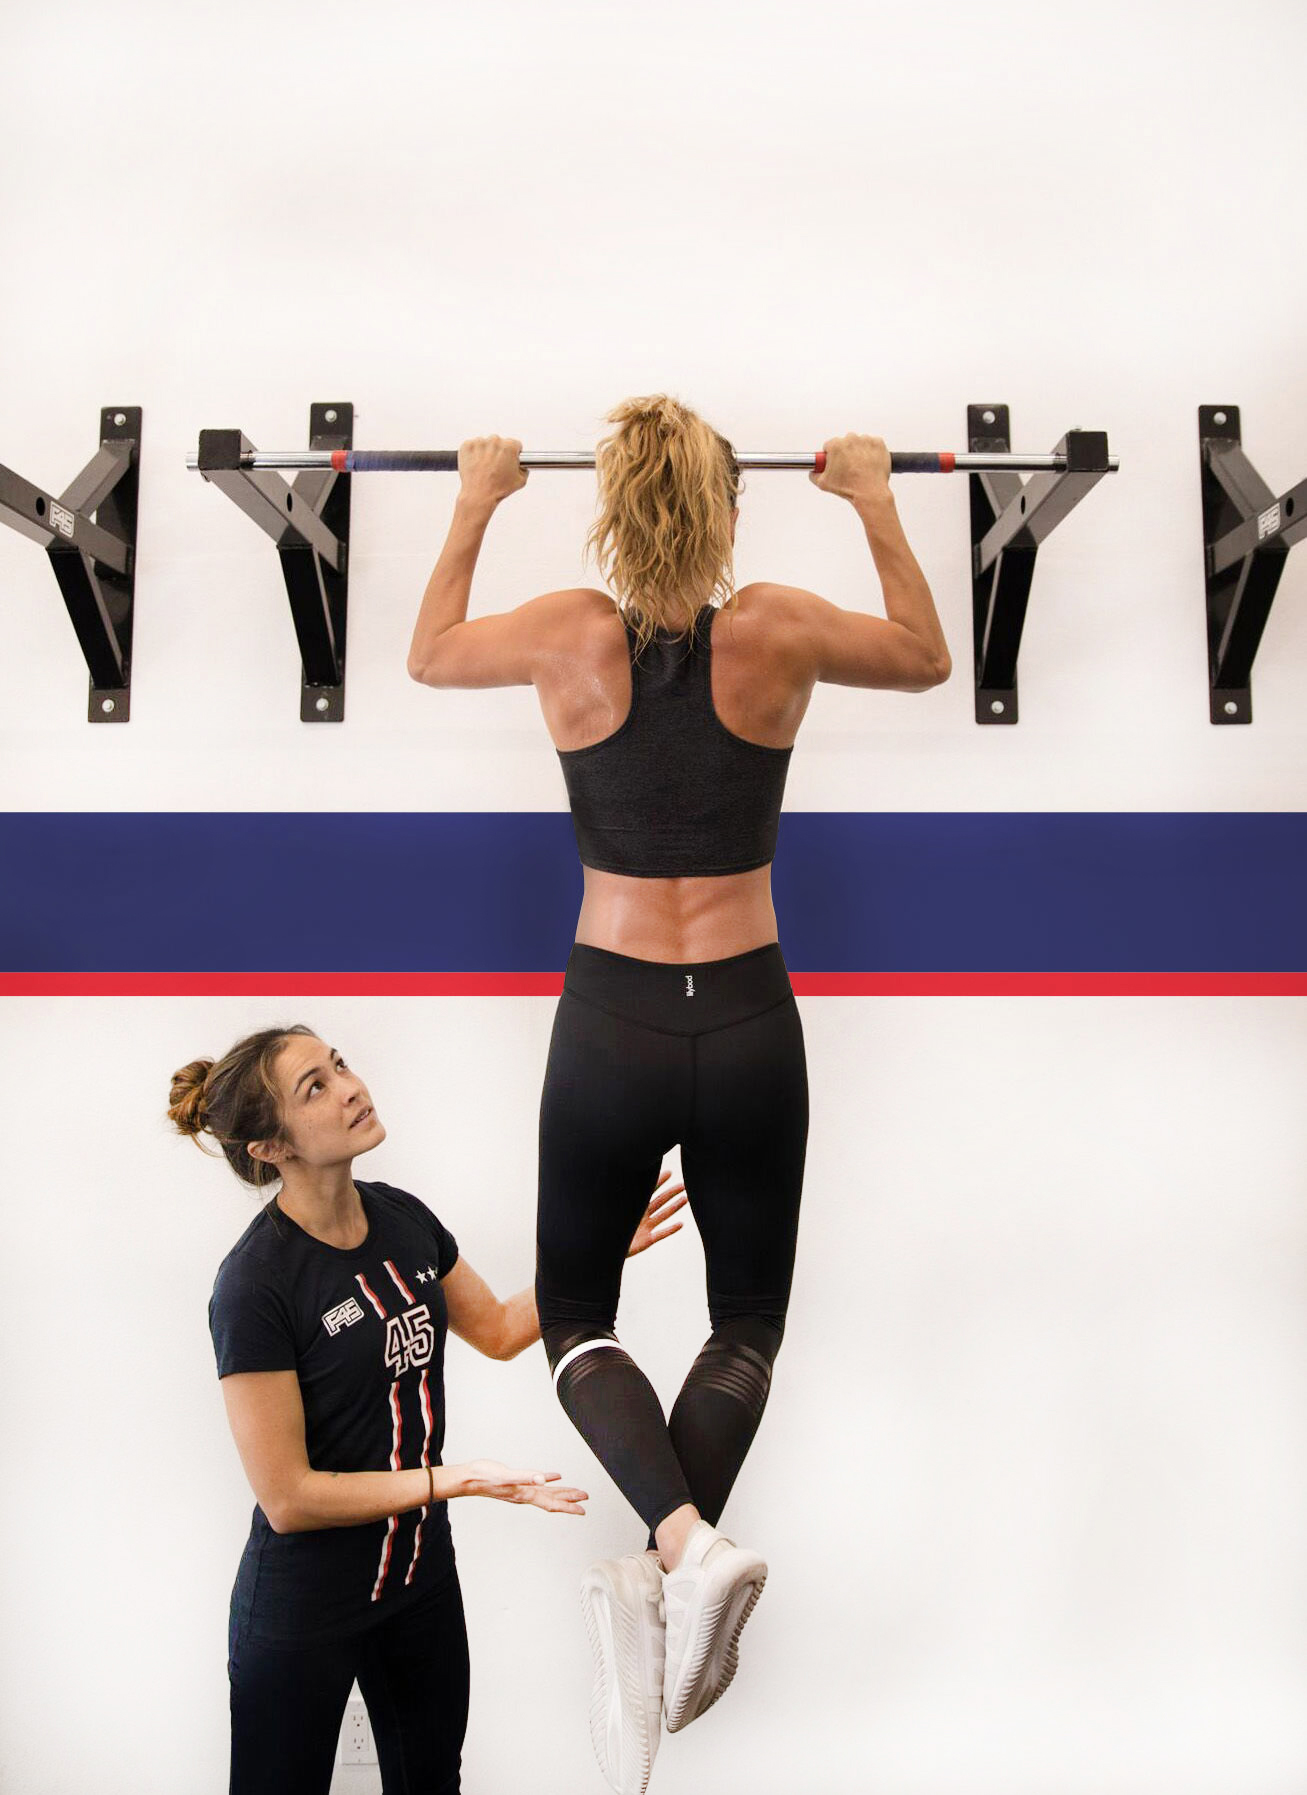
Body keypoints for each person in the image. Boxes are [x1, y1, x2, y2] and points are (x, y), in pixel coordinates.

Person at [407, 395, 950, 1793]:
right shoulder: (771, 623)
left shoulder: (564, 631)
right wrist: (874, 496)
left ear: (607, 504)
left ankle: (684, 1549)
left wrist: (474, 495)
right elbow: (922, 654)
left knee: (576, 1313)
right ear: (720, 511)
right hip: (752, 1013)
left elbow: (424, 653)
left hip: (612, 1015)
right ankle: (674, 1567)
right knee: (746, 1318)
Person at [170, 1022, 684, 1795]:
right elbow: (288, 1496)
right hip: (304, 1604)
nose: (350, 1086)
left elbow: (501, 1329)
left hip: (417, 1585)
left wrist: (596, 1252)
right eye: (315, 1085)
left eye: (338, 1063)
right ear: (269, 1148)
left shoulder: (404, 1218)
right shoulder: (254, 1284)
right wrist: (455, 1479)